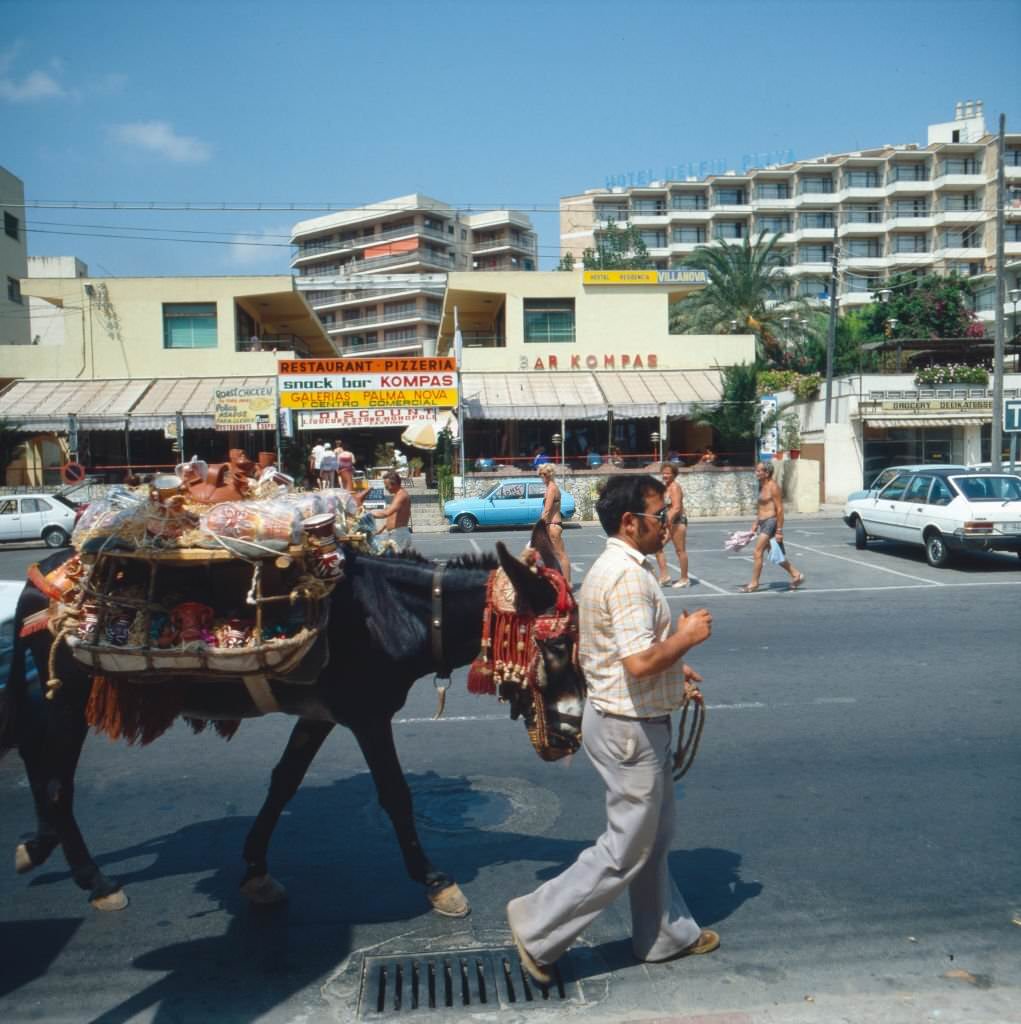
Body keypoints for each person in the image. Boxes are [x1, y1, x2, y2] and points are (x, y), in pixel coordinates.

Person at [506, 474, 718, 983]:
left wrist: (674, 668)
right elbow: (639, 661)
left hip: (629, 719)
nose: (668, 524)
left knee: (655, 836)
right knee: (626, 849)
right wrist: (686, 639)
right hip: (631, 730)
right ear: (631, 522)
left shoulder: (617, 567)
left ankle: (664, 934)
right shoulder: (627, 577)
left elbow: (619, 648)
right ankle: (537, 925)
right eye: (660, 515)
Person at [739, 461, 805, 592]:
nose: (756, 473)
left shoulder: (773, 487)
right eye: (756, 470)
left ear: (767, 473)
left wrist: (779, 530)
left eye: (759, 471)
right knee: (774, 554)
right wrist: (755, 524)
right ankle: (796, 574)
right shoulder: (761, 485)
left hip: (771, 522)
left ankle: (754, 583)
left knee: (757, 552)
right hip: (763, 522)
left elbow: (780, 509)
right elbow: (761, 507)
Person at [356, 469, 412, 550]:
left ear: (395, 484)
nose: (386, 488)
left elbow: (386, 513)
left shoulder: (401, 495)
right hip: (396, 533)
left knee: (394, 561)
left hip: (399, 534)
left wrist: (368, 514)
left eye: (387, 486)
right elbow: (397, 515)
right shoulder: (398, 495)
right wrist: (383, 528)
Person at [655, 463, 690, 588]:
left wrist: (665, 521)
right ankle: (665, 577)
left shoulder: (675, 487)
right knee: (657, 546)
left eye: (668, 473)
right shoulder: (665, 487)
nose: (665, 475)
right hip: (669, 521)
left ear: (674, 474)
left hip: (678, 521)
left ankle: (685, 578)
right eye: (663, 473)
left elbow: (676, 507)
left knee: (680, 551)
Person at [537, 463, 571, 587]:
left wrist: (539, 526)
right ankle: (555, 582)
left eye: (544, 474)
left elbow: (547, 510)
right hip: (550, 525)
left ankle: (567, 584)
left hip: (553, 525)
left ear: (550, 475)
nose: (542, 477)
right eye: (540, 474)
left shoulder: (552, 488)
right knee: (548, 555)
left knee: (561, 555)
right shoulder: (550, 487)